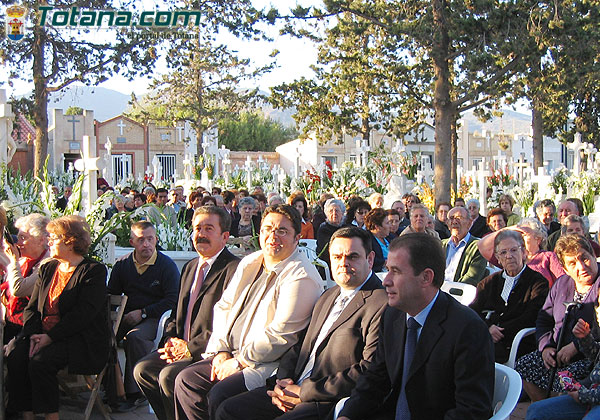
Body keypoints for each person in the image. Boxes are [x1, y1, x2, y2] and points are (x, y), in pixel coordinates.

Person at [214, 227, 388, 420]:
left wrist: (304, 391)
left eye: (352, 257)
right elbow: (300, 345)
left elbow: (368, 370)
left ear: (370, 259)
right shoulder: (328, 295)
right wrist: (282, 382)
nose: (343, 263)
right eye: (337, 257)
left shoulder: (381, 304)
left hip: (325, 399)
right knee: (228, 410)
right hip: (291, 386)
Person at [172, 205, 323, 419]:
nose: (273, 236)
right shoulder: (252, 261)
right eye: (268, 229)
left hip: (264, 364)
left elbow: (281, 335)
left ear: (297, 237)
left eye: (282, 231)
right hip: (230, 353)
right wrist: (222, 350)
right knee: (186, 380)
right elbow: (224, 307)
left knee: (219, 395)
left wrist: (239, 361)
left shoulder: (301, 275)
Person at [337, 233, 495, 420]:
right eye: (387, 270)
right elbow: (375, 379)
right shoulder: (392, 315)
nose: (386, 280)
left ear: (426, 278)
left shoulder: (467, 329)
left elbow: (472, 411)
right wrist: (347, 415)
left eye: (395, 271)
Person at [134, 207, 240, 420]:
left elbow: (228, 322)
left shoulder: (233, 269)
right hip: (181, 345)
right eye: (197, 228)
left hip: (210, 350)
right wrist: (170, 340)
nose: (201, 234)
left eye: (209, 228)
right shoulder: (190, 267)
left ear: (225, 236)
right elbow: (176, 311)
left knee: (168, 376)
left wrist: (189, 348)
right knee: (143, 370)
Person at [6, 215, 109, 420]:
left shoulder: (93, 271)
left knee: (40, 362)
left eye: (54, 238)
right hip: (43, 334)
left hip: (78, 338)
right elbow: (32, 308)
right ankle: (27, 415)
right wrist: (35, 334)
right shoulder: (48, 267)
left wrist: (50, 337)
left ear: (70, 241)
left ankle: (51, 416)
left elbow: (82, 315)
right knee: (17, 355)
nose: (49, 241)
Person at [516, 234, 600, 402]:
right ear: (565, 268)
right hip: (556, 351)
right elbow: (544, 319)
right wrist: (545, 347)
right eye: (573, 263)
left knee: (563, 380)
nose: (581, 267)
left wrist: (576, 346)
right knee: (523, 365)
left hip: (589, 356)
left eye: (585, 258)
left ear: (593, 255)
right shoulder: (562, 284)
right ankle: (543, 407)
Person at [108, 221, 180, 411]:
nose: (146, 244)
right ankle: (112, 389)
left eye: (150, 239)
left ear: (156, 239)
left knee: (135, 337)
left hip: (155, 316)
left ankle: (137, 392)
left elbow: (173, 299)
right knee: (103, 335)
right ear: (132, 241)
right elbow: (112, 294)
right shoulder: (122, 265)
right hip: (127, 315)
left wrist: (144, 312)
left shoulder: (166, 266)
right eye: (141, 240)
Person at [469, 230, 549, 362]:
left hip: (517, 342)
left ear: (523, 252)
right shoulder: (488, 283)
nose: (509, 256)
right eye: (503, 252)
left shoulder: (538, 282)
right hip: (488, 337)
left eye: (513, 250)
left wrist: (499, 331)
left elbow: (531, 316)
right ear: (498, 258)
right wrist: (488, 327)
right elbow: (472, 310)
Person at [526, 316, 600, 420]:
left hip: (593, 396)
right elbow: (596, 354)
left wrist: (583, 395)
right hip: (591, 395)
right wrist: (585, 338)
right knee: (536, 411)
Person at [1, 213, 50, 342]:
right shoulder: (23, 261)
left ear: (41, 240)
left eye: (23, 238)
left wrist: (13, 261)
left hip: (30, 326)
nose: (18, 243)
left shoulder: (48, 263)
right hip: (9, 321)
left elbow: (19, 290)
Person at [477, 218, 565, 287]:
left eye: (524, 234)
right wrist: (509, 229)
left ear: (538, 239)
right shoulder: (511, 257)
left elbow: (563, 282)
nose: (520, 237)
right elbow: (482, 245)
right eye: (518, 234)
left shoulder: (548, 257)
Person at [442, 206, 487, 285]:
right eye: (451, 218)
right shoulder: (440, 245)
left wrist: (449, 292)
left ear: (469, 223)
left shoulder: (478, 246)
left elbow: (472, 278)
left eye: (459, 218)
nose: (455, 222)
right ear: (447, 224)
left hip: (461, 294)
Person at [316, 198, 345, 269]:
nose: (334, 213)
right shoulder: (323, 229)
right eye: (331, 211)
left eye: (337, 210)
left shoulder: (347, 228)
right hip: (328, 263)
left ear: (342, 213)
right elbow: (324, 251)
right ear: (327, 214)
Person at [364, 208, 391, 273]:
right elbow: (367, 259)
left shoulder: (390, 238)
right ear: (377, 227)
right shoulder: (367, 240)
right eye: (387, 223)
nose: (390, 226)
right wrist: (384, 263)